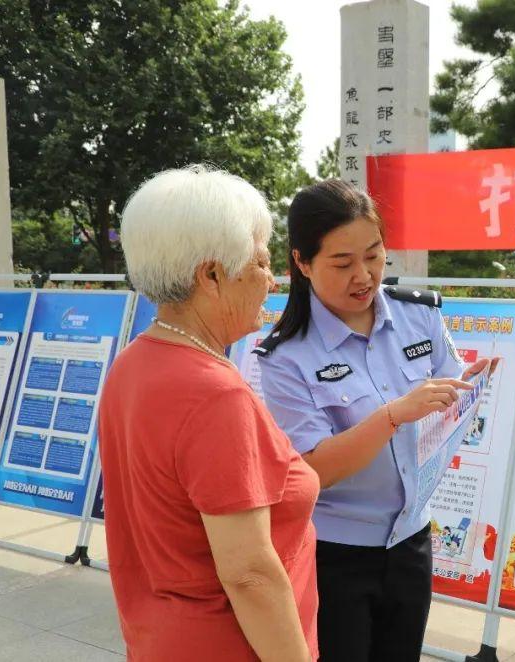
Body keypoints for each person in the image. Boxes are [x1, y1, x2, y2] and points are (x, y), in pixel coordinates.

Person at [256, 178, 488, 662]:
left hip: (410, 541)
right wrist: (392, 416)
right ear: (302, 263)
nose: (363, 275)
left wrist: (469, 389)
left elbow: (449, 396)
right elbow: (314, 469)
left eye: (374, 255)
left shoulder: (419, 315)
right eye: (342, 263)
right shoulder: (285, 356)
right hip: (334, 553)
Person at [98, 165, 318, 661]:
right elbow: (249, 573)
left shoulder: (134, 363)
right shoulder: (215, 394)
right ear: (212, 275)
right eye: (261, 262)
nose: (272, 280)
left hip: (160, 639)